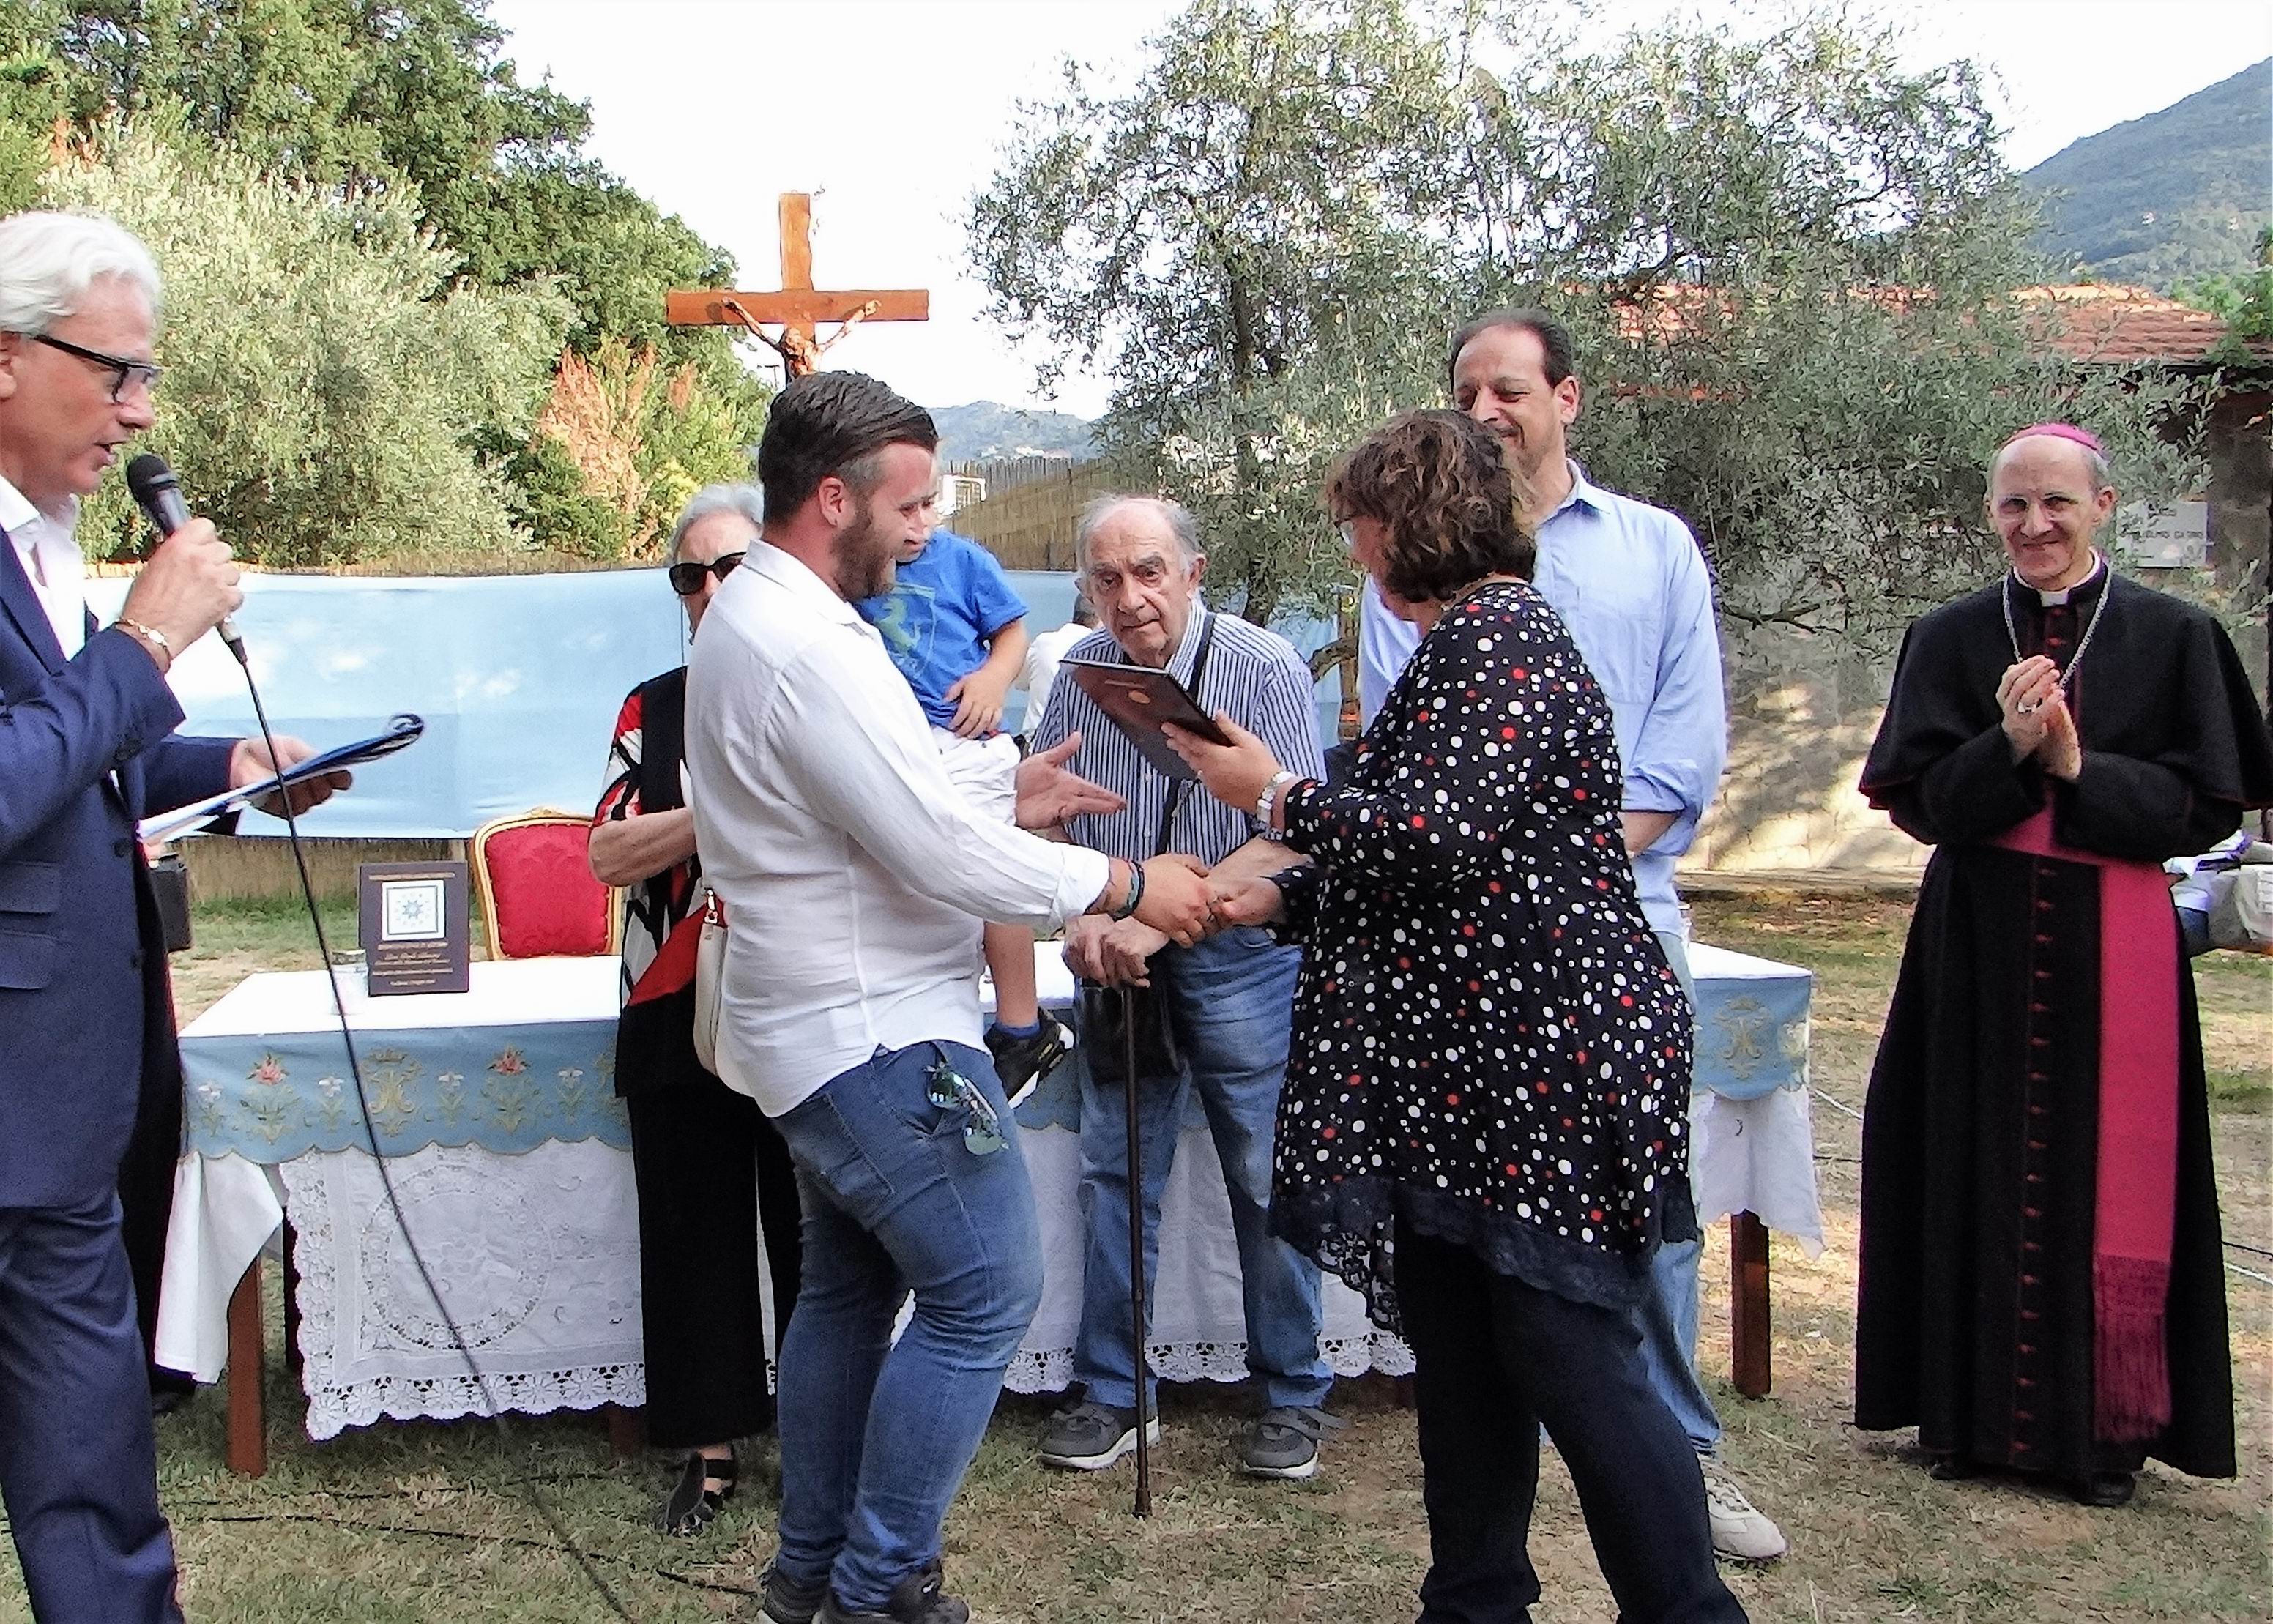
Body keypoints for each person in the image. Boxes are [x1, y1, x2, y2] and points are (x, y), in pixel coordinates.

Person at [1172, 411, 1746, 1623]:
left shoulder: (1499, 637)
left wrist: (1270, 792)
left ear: (1412, 523)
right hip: (1467, 1076)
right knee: (1469, 1364)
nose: (1354, 549)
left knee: (1574, 1361)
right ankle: (1474, 1601)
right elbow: (1429, 863)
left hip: (1543, 1062)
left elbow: (1433, 839)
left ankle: (1689, 1610)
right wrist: (1271, 896)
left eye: (1361, 524)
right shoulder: (1464, 646)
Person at [682, 371, 1213, 1624]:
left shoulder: (763, 617)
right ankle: (875, 1586)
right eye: (911, 505)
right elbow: (928, 850)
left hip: (817, 1027)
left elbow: (883, 792)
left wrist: (998, 787)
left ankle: (810, 1573)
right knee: (983, 1292)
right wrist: (1123, 879)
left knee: (849, 1289)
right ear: (833, 498)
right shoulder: (807, 641)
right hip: (875, 1035)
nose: (927, 530)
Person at [1358, 306, 1782, 1561]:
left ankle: (1677, 1461)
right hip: (1469, 955)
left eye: (1507, 388)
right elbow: (1406, 774)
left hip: (1602, 934)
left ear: (1566, 397)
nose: (1486, 409)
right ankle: (1496, 1556)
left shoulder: (1647, 550)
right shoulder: (1424, 583)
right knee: (1491, 1283)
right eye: (1464, 393)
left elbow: (1678, 754)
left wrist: (1550, 861)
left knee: (1618, 1251)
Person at [0, 209, 346, 1623]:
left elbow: (72, 758)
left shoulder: (41, 543)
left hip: (61, 1099)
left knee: (93, 1463)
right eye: (117, 372)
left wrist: (229, 766)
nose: (140, 411)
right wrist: (146, 638)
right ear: (7, 356)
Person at [1853, 422, 2273, 1507]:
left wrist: (2081, 767)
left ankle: (2100, 1437)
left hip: (2114, 937)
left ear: (2103, 506)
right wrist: (2004, 746)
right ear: (1990, 513)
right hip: (1975, 941)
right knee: (1966, 1154)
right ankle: (1963, 1416)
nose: (2034, 524)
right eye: (2013, 504)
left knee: (2104, 1174)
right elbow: (1918, 803)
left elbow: (2207, 806)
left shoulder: (2176, 635)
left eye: (2056, 502)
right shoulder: (1949, 635)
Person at [1027, 494, 1337, 1480]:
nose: (1129, 596)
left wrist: (1147, 919)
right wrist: (1084, 918)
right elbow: (1044, 815)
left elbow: (1290, 831)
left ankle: (1292, 1393)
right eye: (1107, 577)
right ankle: (1115, 1391)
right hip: (1112, 957)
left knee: (1264, 1174)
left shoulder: (1263, 665)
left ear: (1194, 571)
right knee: (1114, 1172)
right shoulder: (1079, 672)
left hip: (1240, 955)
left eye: (1149, 571)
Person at [589, 484, 803, 1537]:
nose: (710, 587)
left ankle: (821, 1437)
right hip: (673, 995)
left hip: (799, 993)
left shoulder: (814, 688)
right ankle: (709, 1446)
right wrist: (719, 813)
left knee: (813, 1233)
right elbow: (608, 850)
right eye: (690, 573)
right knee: (690, 1230)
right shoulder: (652, 706)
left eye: (732, 567)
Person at [857, 488, 1068, 1103]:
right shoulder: (851, 570)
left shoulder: (962, 560)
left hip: (965, 739)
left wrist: (994, 679)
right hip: (900, 748)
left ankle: (1023, 1025)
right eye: (905, 510)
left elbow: (1012, 633)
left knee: (987, 873)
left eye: (928, 506)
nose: (920, 523)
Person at [1016, 592, 1096, 729]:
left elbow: (1020, 683)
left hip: (1035, 738)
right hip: (1081, 738)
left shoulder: (1042, 642)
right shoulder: (1101, 653)